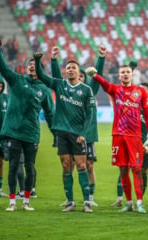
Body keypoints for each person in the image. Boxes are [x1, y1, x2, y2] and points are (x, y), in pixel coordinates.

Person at [0, 39, 54, 212]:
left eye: (35, 64)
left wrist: (55, 134)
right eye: (30, 64)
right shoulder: (16, 80)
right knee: (12, 166)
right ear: (26, 68)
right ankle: (12, 202)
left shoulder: (44, 89)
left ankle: (26, 201)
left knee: (30, 167)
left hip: (31, 133)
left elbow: (50, 113)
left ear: (40, 69)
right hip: (13, 132)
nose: (32, 66)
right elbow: (4, 68)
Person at [85, 64, 148, 214]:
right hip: (118, 136)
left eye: (128, 72)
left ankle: (140, 203)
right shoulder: (116, 90)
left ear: (132, 75)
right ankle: (129, 203)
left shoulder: (140, 91)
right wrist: (94, 76)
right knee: (123, 170)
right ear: (119, 76)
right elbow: (105, 84)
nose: (125, 74)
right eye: (122, 72)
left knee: (136, 170)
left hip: (135, 136)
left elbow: (147, 114)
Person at [34, 52, 94, 213]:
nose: (71, 70)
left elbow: (89, 115)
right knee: (66, 166)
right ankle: (70, 202)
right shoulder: (59, 84)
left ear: (78, 71)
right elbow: (41, 75)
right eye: (68, 68)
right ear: (65, 71)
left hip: (78, 134)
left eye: (74, 68)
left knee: (81, 166)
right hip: (61, 132)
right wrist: (38, 60)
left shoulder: (86, 90)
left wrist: (83, 133)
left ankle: (87, 202)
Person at [50, 45, 106, 207]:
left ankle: (90, 197)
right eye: (78, 75)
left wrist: (101, 58)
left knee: (88, 164)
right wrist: (54, 60)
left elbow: (99, 76)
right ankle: (70, 198)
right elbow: (55, 78)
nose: (79, 78)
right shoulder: (66, 88)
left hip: (87, 133)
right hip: (70, 132)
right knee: (69, 164)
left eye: (82, 76)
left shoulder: (89, 90)